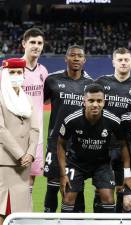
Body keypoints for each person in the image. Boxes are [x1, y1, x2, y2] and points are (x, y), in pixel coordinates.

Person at [58, 83, 125, 213]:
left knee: (108, 199)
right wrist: (62, 174)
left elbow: (123, 144)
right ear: (84, 101)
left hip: (101, 164)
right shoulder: (72, 119)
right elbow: (61, 144)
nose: (95, 104)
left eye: (99, 101)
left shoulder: (113, 121)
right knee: (68, 199)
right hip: (76, 163)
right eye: (91, 101)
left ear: (104, 102)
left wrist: (126, 173)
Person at [43, 45, 93, 212]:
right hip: (56, 141)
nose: (76, 58)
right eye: (72, 55)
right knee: (52, 185)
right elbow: (39, 103)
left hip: (79, 143)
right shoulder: (52, 80)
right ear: (66, 59)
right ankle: (48, 220)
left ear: (84, 60)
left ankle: (77, 220)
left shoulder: (90, 84)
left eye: (80, 56)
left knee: (76, 186)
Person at [96, 47, 131, 212]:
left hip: (127, 145)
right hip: (104, 144)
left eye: (126, 60)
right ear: (113, 62)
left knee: (122, 189)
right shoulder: (102, 82)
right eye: (120, 60)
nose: (123, 63)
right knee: (101, 190)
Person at [0, 58, 39, 225]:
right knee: (3, 208)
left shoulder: (28, 99)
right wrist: (20, 154)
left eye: (19, 72)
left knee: (21, 210)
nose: (16, 75)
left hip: (24, 164)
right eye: (12, 72)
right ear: (5, 75)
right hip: (5, 162)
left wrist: (30, 153)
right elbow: (1, 129)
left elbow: (35, 129)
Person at [21, 28, 48, 197]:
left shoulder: (43, 71)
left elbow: (44, 99)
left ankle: (24, 214)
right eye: (32, 42)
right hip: (17, 132)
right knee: (13, 178)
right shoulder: (11, 69)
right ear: (24, 44)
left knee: (31, 178)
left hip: (37, 134)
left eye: (39, 43)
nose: (36, 46)